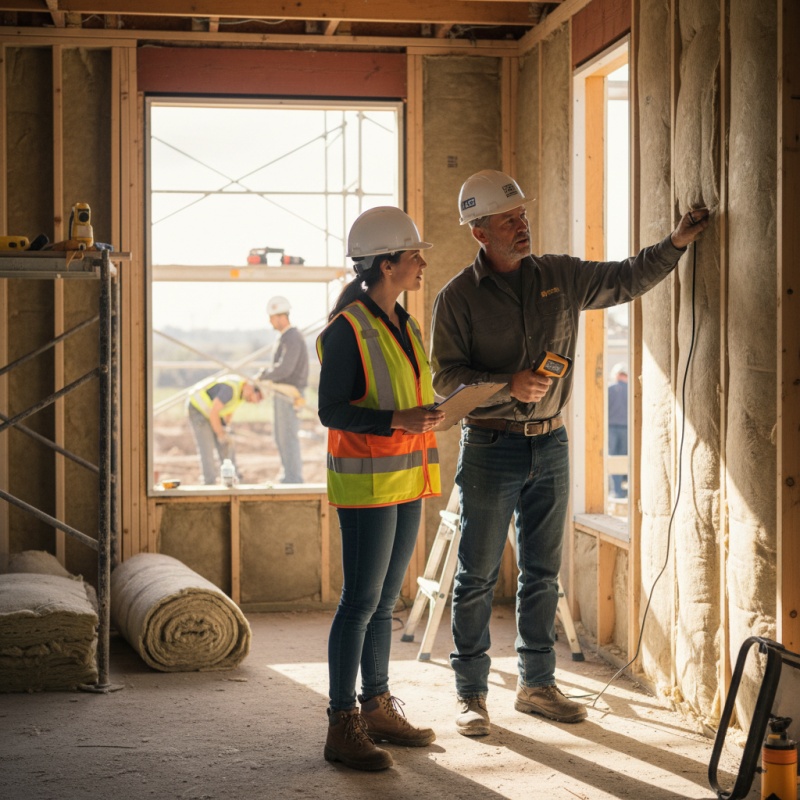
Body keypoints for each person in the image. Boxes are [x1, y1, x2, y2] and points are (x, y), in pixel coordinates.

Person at [430, 169, 710, 735]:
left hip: (551, 446)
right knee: (477, 575)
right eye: (509, 219)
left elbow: (625, 278)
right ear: (480, 232)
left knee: (541, 573)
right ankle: (471, 694)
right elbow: (444, 379)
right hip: (488, 447)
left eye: (523, 214)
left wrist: (676, 243)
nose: (522, 224)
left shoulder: (559, 274)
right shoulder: (457, 297)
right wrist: (509, 382)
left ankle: (537, 686)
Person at [317, 206, 445, 771]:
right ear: (388, 264)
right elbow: (331, 410)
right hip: (368, 487)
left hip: (408, 481)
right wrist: (398, 420)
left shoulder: (406, 323)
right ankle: (341, 722)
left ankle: (376, 705)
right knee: (359, 603)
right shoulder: (346, 330)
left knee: (386, 602)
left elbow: (408, 396)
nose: (421, 263)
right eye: (414, 255)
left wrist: (430, 414)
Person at [256, 296, 308, 484]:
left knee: (287, 437)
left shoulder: (292, 337)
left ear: (280, 316)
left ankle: (293, 479)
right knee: (281, 437)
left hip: (289, 394)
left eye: (272, 317)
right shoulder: (286, 337)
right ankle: (289, 475)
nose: (270, 321)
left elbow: (286, 368)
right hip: (284, 393)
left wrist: (264, 375)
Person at [186, 374, 263, 485]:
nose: (255, 401)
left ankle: (232, 478)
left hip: (212, 412)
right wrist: (220, 433)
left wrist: (225, 430)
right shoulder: (230, 389)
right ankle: (209, 482)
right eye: (257, 396)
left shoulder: (240, 395)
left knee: (227, 443)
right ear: (249, 386)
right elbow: (214, 413)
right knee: (207, 446)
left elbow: (228, 413)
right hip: (198, 409)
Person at [608, 363, 629, 499]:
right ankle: (625, 490)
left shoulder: (610, 389)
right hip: (627, 429)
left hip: (611, 429)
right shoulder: (631, 389)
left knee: (613, 458)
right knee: (625, 458)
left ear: (616, 375)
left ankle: (617, 491)